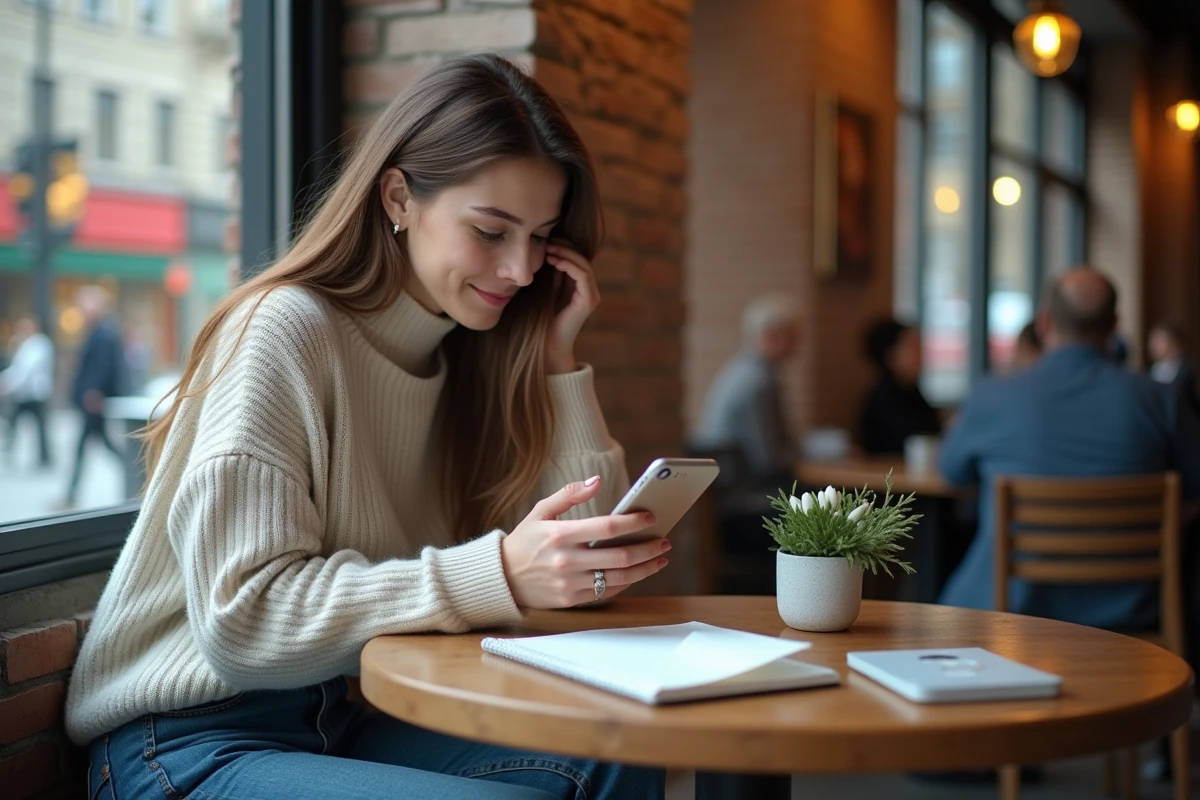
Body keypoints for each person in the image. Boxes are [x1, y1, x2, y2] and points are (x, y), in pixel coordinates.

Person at [66, 55, 665, 800]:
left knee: (620, 747)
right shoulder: (282, 330)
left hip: (339, 719)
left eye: (541, 237)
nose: (521, 269)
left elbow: (588, 571)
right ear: (398, 197)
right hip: (186, 741)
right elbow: (242, 622)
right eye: (491, 231)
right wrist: (499, 573)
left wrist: (555, 359)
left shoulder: (464, 358)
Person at [938, 267, 1200, 629]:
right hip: (1128, 616)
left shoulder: (991, 396)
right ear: (1115, 325)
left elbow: (952, 472)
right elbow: (1194, 492)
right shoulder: (1163, 400)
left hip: (1006, 613)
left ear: (1045, 322)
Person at [692, 295, 800, 488]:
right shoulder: (759, 381)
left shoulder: (740, 369)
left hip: (729, 484)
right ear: (771, 335)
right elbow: (767, 459)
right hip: (745, 488)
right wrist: (810, 455)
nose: (797, 346)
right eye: (793, 337)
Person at [62, 285, 125, 508]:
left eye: (87, 303)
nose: (83, 308)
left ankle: (71, 495)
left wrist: (95, 392)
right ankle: (137, 477)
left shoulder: (104, 333)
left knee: (87, 447)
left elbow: (103, 367)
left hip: (94, 400)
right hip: (91, 399)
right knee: (104, 445)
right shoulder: (96, 331)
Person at [858, 319, 940, 455]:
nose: (921, 354)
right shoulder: (883, 399)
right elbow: (915, 440)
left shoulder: (912, 392)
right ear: (891, 356)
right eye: (913, 347)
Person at [0, 316, 54, 468]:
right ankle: (11, 450)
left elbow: (25, 370)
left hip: (35, 394)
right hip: (24, 394)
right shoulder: (25, 345)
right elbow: (17, 368)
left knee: (39, 427)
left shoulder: (40, 344)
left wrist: (8, 384)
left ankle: (44, 457)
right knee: (15, 422)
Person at [1148, 322, 1195, 393]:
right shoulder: (1153, 368)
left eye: (1159, 341)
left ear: (1174, 343)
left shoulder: (1186, 372)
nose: (1153, 345)